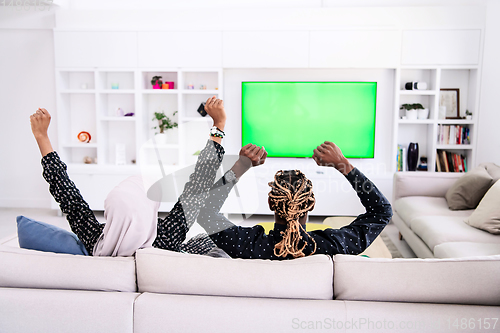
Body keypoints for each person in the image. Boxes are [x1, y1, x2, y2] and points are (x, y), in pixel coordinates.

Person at [30, 96, 267, 256]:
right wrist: (219, 123)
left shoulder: (97, 242)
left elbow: (67, 196)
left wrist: (42, 137)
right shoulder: (164, 239)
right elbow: (199, 185)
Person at [195, 141, 393, 260]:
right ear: (311, 205)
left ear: (271, 203)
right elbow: (382, 211)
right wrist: (344, 165)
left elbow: (205, 212)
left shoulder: (245, 245)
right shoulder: (335, 246)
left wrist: (240, 166)